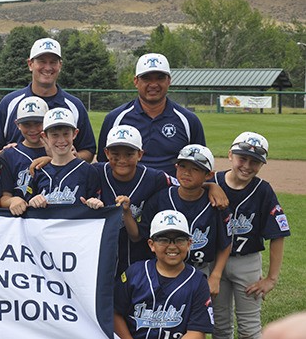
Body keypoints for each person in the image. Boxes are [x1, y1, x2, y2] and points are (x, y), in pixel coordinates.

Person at [212, 132, 291, 339]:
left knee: (249, 328)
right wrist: (208, 185)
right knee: (219, 326)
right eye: (242, 158)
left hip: (247, 263)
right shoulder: (213, 182)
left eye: (255, 161)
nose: (247, 165)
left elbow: (278, 233)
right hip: (215, 262)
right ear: (230, 155)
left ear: (262, 164)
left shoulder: (263, 190)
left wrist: (271, 278)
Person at [137, 144, 232, 298]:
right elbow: (142, 236)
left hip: (201, 269)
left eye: (195, 169)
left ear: (208, 175)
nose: (187, 172)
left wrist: (215, 276)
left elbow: (226, 243)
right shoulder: (160, 198)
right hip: (162, 269)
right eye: (182, 166)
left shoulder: (216, 203)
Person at [0, 37, 96, 162]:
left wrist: (75, 158)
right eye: (42, 61)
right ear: (30, 64)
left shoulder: (74, 106)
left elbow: (89, 150)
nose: (47, 68)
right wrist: (3, 155)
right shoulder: (10, 103)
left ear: (60, 65)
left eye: (53, 62)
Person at [86, 124, 176, 276]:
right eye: (115, 154)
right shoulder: (96, 171)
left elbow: (185, 183)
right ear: (106, 153)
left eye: (129, 154)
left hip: (139, 256)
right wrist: (47, 159)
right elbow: (68, 169)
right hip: (100, 256)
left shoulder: (154, 178)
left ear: (140, 154)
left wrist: (210, 187)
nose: (122, 160)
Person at [97, 53, 205, 176]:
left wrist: (210, 186)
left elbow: (200, 164)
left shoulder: (189, 120)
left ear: (169, 81)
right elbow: (104, 163)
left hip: (172, 191)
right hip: (128, 191)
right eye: (147, 78)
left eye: (160, 78)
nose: (153, 84)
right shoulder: (115, 118)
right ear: (136, 81)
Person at [114, 210, 214, 339]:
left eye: (179, 240)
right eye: (163, 240)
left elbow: (197, 331)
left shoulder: (198, 281)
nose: (172, 246)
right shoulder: (135, 273)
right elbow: (115, 313)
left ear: (189, 244)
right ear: (151, 244)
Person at [27, 107, 101, 208]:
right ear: (44, 136)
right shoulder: (39, 171)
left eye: (66, 134)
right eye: (54, 135)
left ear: (75, 134)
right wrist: (32, 203)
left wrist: (95, 203)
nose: (61, 140)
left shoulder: (88, 171)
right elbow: (27, 204)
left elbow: (98, 204)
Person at [0, 96, 49, 216]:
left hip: (52, 218)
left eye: (37, 123)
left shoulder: (59, 152)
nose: (33, 129)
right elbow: (4, 198)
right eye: (26, 124)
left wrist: (52, 159)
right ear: (17, 124)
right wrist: (13, 200)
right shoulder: (9, 155)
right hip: (20, 220)